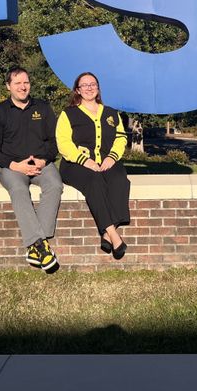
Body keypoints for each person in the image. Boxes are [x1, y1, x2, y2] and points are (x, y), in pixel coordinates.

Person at [0, 67, 62, 272]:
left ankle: (37, 245)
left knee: (55, 185)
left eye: (26, 82)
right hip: (11, 166)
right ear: (8, 86)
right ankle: (40, 245)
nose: (23, 87)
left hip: (41, 164)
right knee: (18, 190)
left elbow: (55, 141)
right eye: (17, 83)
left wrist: (44, 160)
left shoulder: (43, 108)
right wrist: (14, 165)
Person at [56, 72, 130, 260]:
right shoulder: (68, 114)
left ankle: (106, 234)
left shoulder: (111, 113)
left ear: (98, 88)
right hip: (75, 165)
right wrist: (84, 161)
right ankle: (113, 235)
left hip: (106, 162)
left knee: (120, 179)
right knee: (95, 181)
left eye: (93, 84)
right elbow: (63, 143)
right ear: (77, 90)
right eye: (84, 85)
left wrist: (112, 158)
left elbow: (121, 137)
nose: (89, 88)